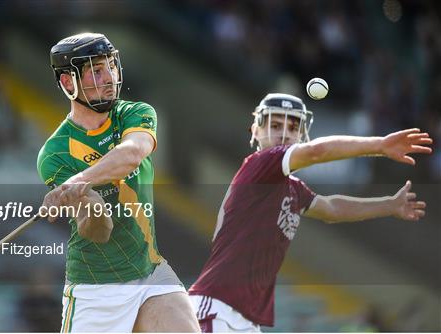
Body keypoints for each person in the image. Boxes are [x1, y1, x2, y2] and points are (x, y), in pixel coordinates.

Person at [188, 93, 433, 332]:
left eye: (292, 128)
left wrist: (389, 204)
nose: (283, 133)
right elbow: (316, 152)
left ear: (301, 134)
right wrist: (379, 145)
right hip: (217, 308)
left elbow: (332, 208)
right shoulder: (260, 165)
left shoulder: (293, 189)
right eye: (274, 125)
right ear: (256, 131)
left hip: (245, 321)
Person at [37, 32, 200, 332]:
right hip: (96, 287)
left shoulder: (134, 113)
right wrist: (88, 206)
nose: (109, 76)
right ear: (67, 83)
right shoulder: (55, 153)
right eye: (97, 70)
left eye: (110, 66)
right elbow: (99, 231)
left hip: (150, 271)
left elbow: (133, 153)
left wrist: (82, 179)